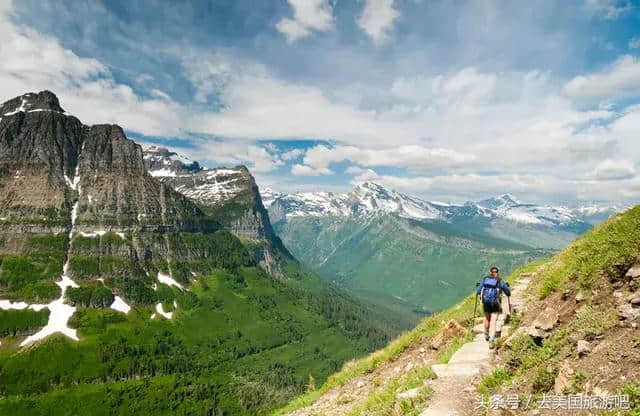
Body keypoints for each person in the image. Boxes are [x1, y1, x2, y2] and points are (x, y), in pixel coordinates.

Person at [476, 266, 510, 348]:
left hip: (486, 302)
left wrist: (478, 287)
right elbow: (507, 292)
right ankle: (491, 339)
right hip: (495, 303)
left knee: (487, 318)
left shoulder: (485, 280)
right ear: (497, 272)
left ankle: (486, 333)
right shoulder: (499, 281)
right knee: (493, 321)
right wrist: (507, 290)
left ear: (490, 272)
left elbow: (478, 291)